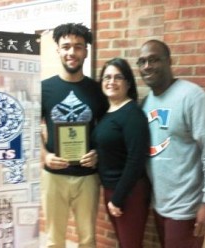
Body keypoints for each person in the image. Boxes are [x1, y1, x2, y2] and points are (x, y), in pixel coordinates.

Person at [138, 39, 205, 248]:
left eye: (154, 60)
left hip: (187, 209)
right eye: (141, 62)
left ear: (169, 62)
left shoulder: (192, 97)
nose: (147, 66)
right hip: (160, 205)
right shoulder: (147, 102)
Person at [41, 23, 108, 248]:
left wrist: (98, 153)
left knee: (88, 239)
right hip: (53, 176)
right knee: (54, 240)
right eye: (66, 46)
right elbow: (28, 128)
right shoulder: (44, 89)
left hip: (87, 177)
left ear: (86, 51)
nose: (72, 52)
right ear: (58, 50)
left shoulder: (98, 90)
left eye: (78, 47)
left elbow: (107, 131)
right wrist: (44, 156)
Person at [92, 58, 151, 248]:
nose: (111, 81)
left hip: (129, 192)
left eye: (118, 77)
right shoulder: (108, 112)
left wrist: (118, 198)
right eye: (107, 77)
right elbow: (110, 148)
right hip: (112, 189)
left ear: (128, 83)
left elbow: (136, 159)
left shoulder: (132, 114)